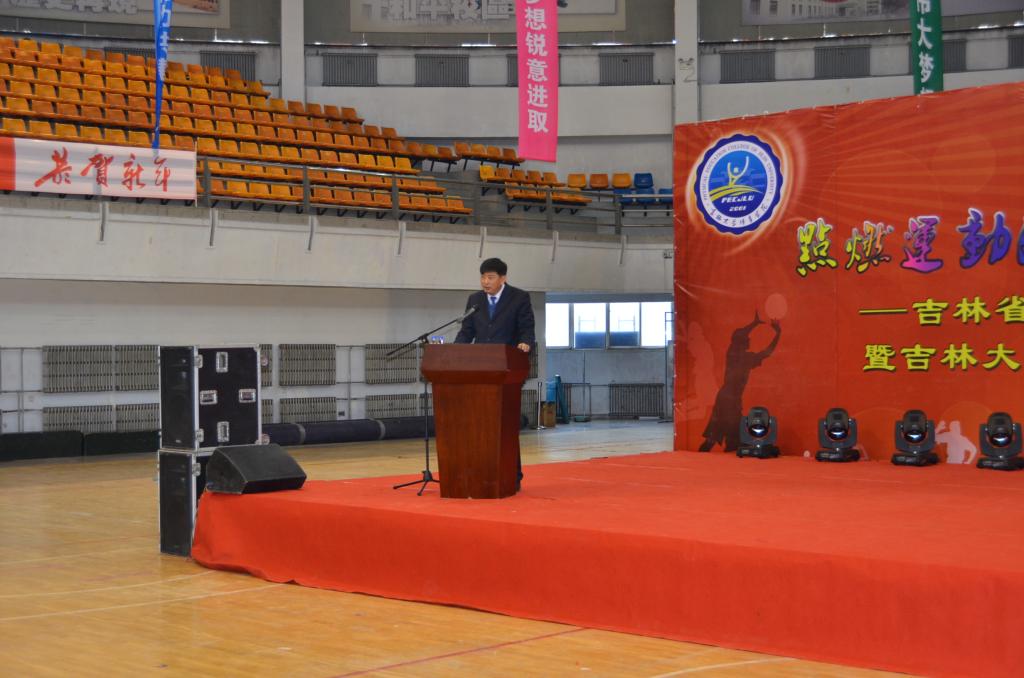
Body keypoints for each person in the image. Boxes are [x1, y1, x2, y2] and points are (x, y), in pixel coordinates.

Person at [454, 257, 535, 489]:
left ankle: (512, 475)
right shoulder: (475, 300)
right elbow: (467, 331)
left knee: (505, 425)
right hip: (480, 370)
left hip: (507, 369)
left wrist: (525, 343)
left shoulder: (519, 297)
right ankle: (481, 472)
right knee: (479, 425)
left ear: (503, 278)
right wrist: (455, 352)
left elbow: (527, 328)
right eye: (483, 277)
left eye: (490, 277)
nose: (485, 282)